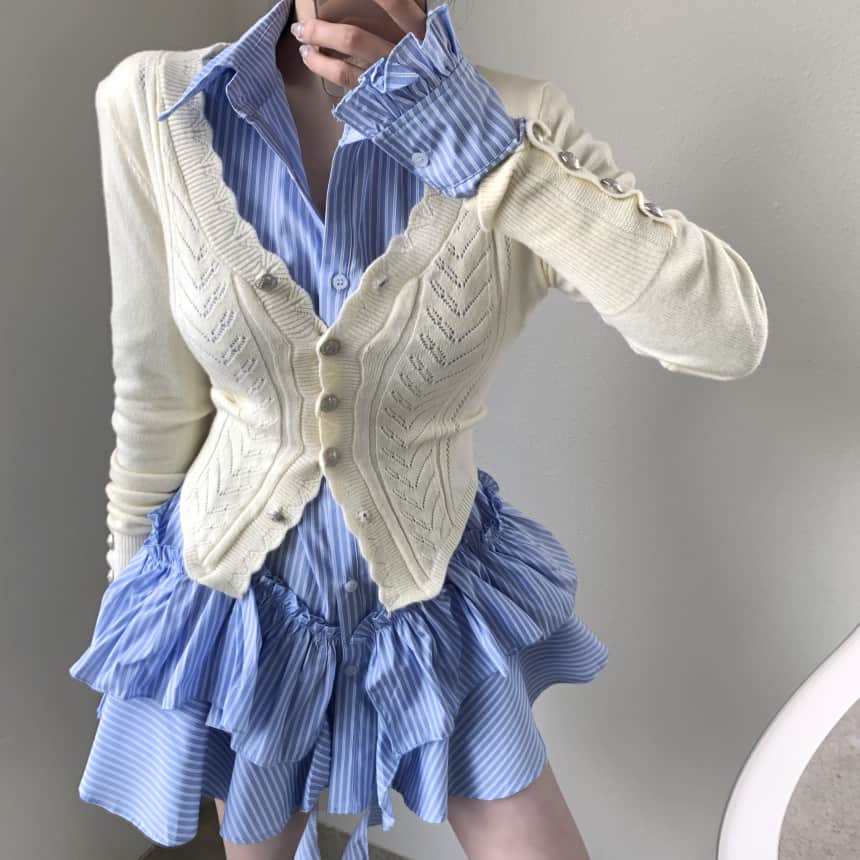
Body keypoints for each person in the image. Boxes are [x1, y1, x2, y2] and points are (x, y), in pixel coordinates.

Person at [68, 1, 769, 858]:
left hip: (433, 593)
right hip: (232, 604)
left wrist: (486, 152)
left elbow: (726, 334)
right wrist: (134, 616)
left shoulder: (518, 122)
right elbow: (155, 397)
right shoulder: (156, 101)